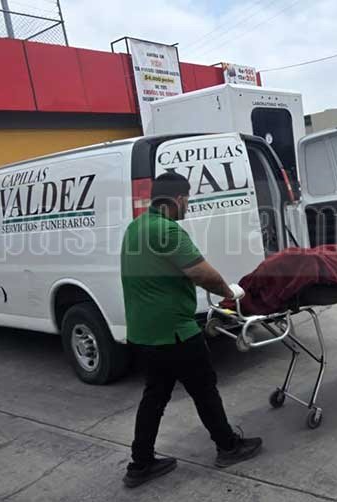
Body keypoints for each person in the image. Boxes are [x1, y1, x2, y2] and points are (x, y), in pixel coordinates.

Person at [120, 172, 262, 488]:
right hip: (175, 331)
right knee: (204, 389)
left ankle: (140, 464)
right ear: (178, 199)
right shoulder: (167, 230)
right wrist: (229, 292)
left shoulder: (136, 227)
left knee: (154, 397)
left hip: (145, 332)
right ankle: (228, 447)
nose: (188, 205)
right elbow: (201, 273)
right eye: (187, 199)